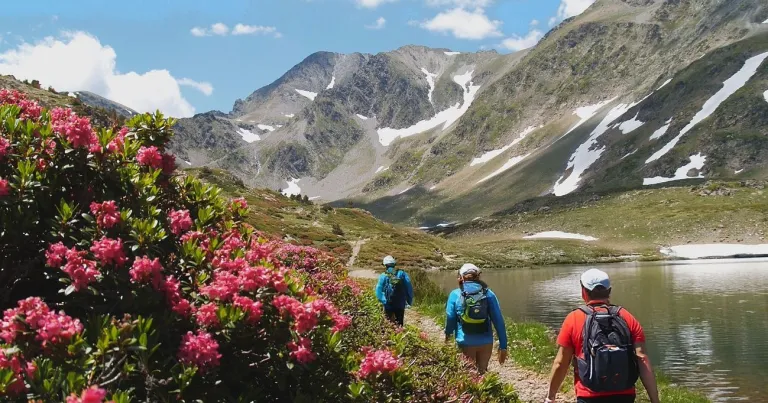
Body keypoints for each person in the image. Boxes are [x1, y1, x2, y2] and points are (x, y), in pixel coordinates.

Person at [545, 269, 660, 403]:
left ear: (583, 292)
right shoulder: (627, 317)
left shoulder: (573, 319)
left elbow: (561, 363)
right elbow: (642, 358)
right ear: (609, 291)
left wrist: (551, 397)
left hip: (589, 395)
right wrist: (655, 400)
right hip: (624, 394)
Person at [444, 263, 507, 374]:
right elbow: (498, 321)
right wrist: (503, 346)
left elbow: (450, 318)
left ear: (460, 277)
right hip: (486, 342)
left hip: (465, 341)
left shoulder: (455, 294)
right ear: (478, 277)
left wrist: (448, 335)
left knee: (468, 376)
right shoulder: (488, 294)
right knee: (483, 373)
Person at [375, 255, 413, 326]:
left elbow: (378, 290)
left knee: (388, 324)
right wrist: (409, 301)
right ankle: (400, 333)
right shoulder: (402, 274)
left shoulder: (383, 276)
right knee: (399, 324)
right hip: (400, 304)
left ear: (385, 265)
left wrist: (384, 301)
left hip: (388, 305)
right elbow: (409, 288)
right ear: (394, 264)